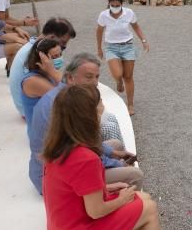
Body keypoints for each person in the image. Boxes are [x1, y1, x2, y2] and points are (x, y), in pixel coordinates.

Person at [42, 85, 182, 230]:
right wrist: (122, 198)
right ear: (86, 117)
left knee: (141, 198)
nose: (102, 109)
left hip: (64, 227)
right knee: (149, 208)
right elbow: (95, 211)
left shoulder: (59, 147)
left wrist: (104, 187)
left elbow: (74, 188)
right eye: (98, 107)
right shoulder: (84, 157)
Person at [28, 53, 144, 195]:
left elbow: (84, 146)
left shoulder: (64, 95)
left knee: (116, 145)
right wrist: (117, 163)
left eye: (97, 77)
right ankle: (125, 211)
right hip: (57, 179)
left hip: (56, 165)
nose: (95, 83)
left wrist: (114, 153)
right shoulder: (68, 105)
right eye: (89, 77)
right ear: (70, 78)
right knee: (135, 175)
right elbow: (80, 155)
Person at [9, 17, 76, 118]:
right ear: (52, 37)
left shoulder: (33, 46)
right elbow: (67, 97)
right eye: (63, 44)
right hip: (31, 112)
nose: (62, 49)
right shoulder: (33, 56)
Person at [96, 0, 149, 115]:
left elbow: (136, 27)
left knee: (129, 76)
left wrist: (144, 41)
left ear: (121, 4)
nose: (115, 7)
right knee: (118, 73)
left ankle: (130, 104)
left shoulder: (129, 13)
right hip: (111, 47)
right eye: (112, 5)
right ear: (108, 4)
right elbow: (99, 32)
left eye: (117, 5)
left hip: (128, 46)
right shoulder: (103, 15)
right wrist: (99, 48)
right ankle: (118, 81)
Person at [20, 38, 63, 125]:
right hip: (43, 135)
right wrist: (53, 71)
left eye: (60, 54)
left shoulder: (48, 74)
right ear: (42, 58)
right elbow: (70, 96)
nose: (59, 59)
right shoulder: (33, 81)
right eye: (55, 56)